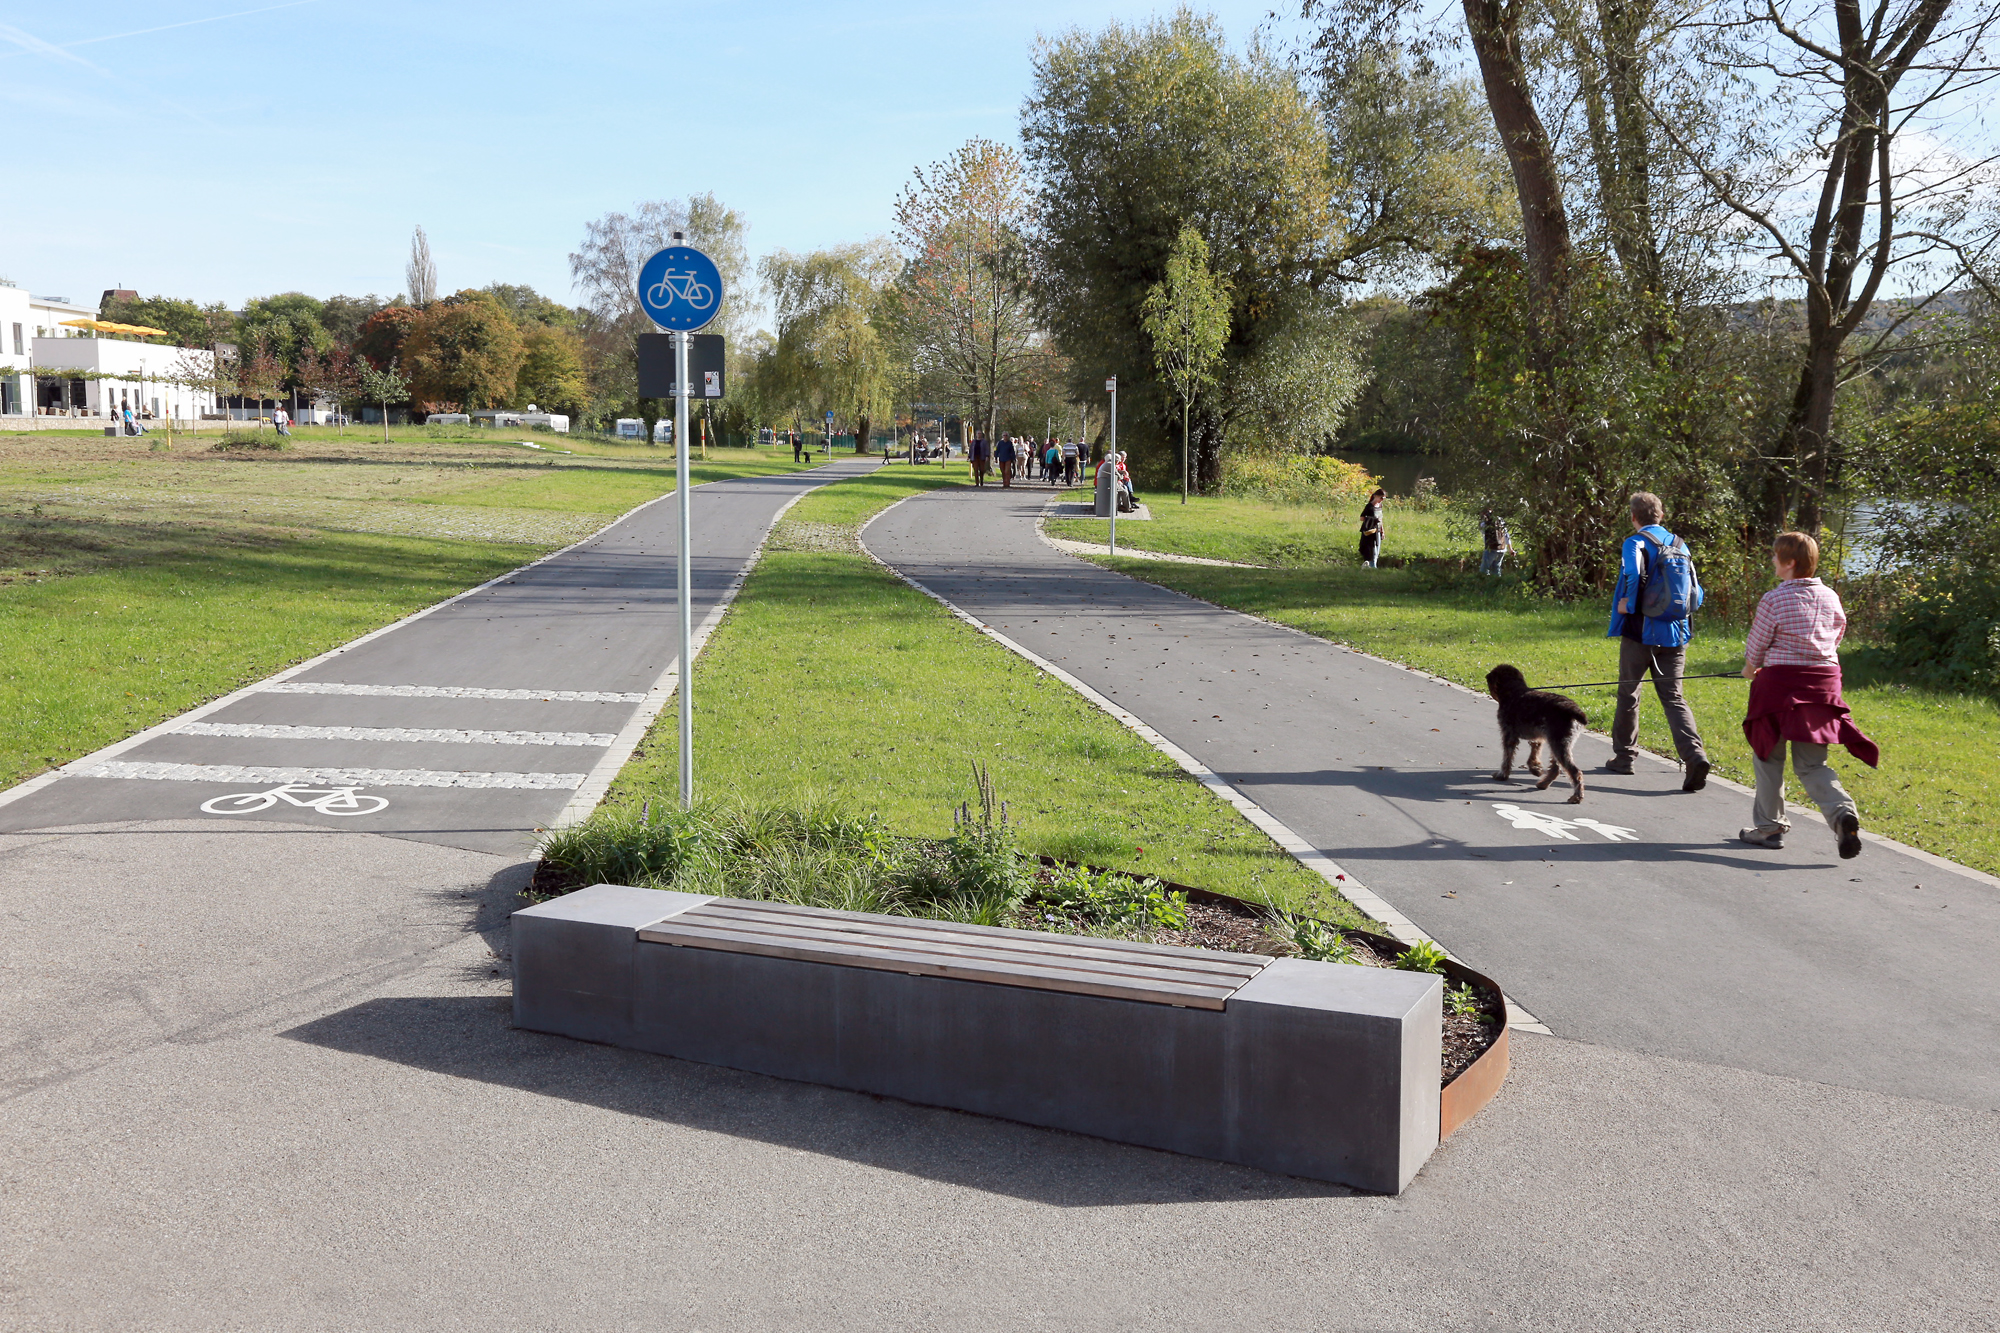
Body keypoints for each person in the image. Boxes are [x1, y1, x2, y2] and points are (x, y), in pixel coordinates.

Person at [1738, 532, 1877, 855]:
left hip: (1779, 687)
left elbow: (1756, 646)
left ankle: (1769, 827)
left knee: (1768, 755)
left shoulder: (1774, 599)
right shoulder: (1830, 597)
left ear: (1789, 563)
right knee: (1813, 764)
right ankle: (1842, 813)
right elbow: (1837, 635)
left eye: (1775, 556)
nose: (1772, 561)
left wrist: (1750, 669)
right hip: (1823, 685)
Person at [1605, 491, 1710, 789]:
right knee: (1674, 697)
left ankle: (1624, 758)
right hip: (1677, 633)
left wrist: (1631, 605)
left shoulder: (1635, 542)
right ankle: (1694, 757)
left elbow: (1632, 574)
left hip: (1641, 633)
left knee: (1629, 693)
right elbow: (1696, 593)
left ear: (1634, 517)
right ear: (1661, 515)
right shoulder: (1680, 544)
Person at [1358, 488, 1386, 567]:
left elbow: (1381, 520)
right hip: (1370, 531)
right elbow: (1362, 518)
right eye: (1381, 498)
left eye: (1383, 498)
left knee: (1377, 551)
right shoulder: (1369, 506)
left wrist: (1382, 531)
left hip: (1378, 531)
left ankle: (1372, 566)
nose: (1382, 500)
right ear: (1376, 496)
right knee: (1371, 551)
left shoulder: (1380, 506)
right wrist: (1373, 519)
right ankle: (1373, 567)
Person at [1480, 509, 1513, 575]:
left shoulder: (1484, 524)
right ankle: (1497, 583)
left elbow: (1482, 531)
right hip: (1502, 548)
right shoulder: (1501, 521)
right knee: (1496, 568)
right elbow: (1506, 535)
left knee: (1484, 570)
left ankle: (1483, 583)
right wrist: (1511, 549)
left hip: (1491, 549)